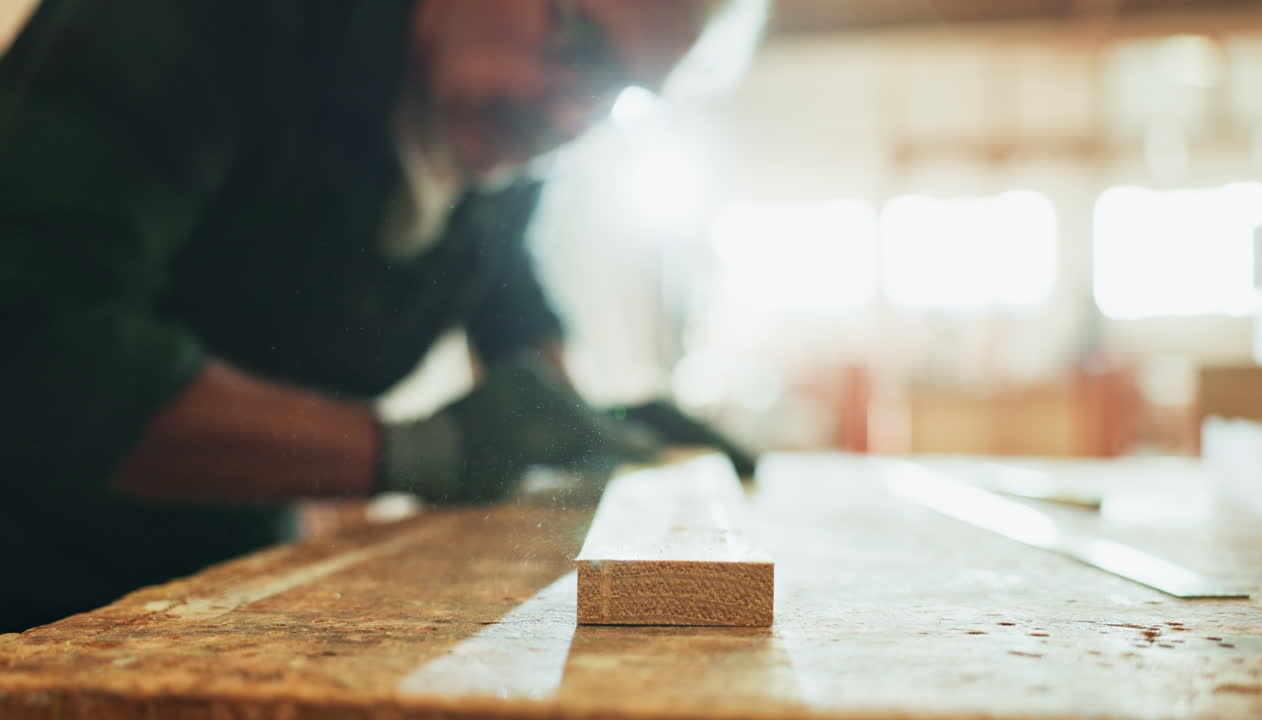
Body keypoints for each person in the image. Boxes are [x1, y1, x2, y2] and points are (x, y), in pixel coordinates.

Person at [0, 0, 762, 632]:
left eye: (614, 94)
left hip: (210, 588)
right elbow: (32, 343)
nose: (570, 117)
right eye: (576, 42)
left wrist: (594, 430)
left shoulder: (496, 125)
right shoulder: (202, 24)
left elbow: (507, 294)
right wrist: (416, 452)